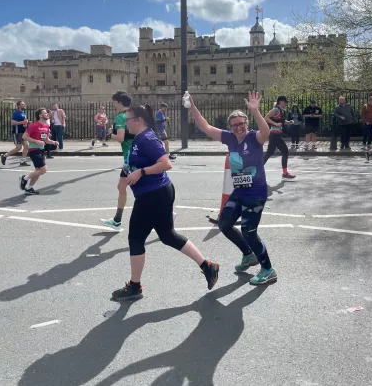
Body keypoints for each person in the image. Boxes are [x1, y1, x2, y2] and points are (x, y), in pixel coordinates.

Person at [111, 103, 219, 301]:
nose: (125, 123)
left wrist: (140, 172)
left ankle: (135, 287)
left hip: (153, 195)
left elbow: (166, 163)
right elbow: (141, 163)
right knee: (167, 235)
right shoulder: (140, 138)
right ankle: (207, 266)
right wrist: (128, 171)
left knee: (135, 238)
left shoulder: (147, 138)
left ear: (138, 120)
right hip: (156, 193)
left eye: (127, 119)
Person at [190, 91, 277, 286]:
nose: (238, 128)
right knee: (224, 224)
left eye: (241, 124)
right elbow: (206, 127)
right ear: (230, 127)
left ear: (247, 123)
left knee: (249, 231)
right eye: (235, 125)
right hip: (239, 192)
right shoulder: (229, 138)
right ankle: (248, 255)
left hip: (256, 193)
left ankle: (268, 269)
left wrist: (255, 111)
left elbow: (266, 133)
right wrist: (193, 108)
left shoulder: (255, 137)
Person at [100, 92, 134, 230]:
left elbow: (120, 137)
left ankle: (167, 216)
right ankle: (117, 220)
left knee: (143, 191)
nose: (114, 105)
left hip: (131, 157)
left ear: (119, 102)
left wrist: (110, 134)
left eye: (114, 102)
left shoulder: (120, 117)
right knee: (121, 186)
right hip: (138, 154)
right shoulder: (135, 114)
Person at [19, 108, 59, 195]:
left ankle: (29, 188)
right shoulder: (34, 125)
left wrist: (53, 142)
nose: (47, 114)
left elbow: (46, 139)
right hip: (34, 150)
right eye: (45, 113)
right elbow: (24, 136)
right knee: (43, 170)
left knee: (37, 171)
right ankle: (24, 178)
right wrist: (36, 141)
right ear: (40, 115)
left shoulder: (46, 126)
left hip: (41, 150)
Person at [264, 96, 296, 180]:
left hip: (275, 135)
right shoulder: (276, 110)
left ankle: (257, 170)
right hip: (274, 135)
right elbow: (266, 118)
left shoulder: (280, 111)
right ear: (281, 102)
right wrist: (275, 124)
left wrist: (289, 122)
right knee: (285, 152)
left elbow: (281, 121)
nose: (285, 104)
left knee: (269, 153)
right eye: (285, 102)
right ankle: (285, 173)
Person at [0, 100, 30, 167]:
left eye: (24, 104)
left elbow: (23, 122)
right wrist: (22, 122)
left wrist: (27, 123)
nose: (24, 105)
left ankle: (23, 161)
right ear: (19, 105)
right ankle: (4, 156)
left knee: (26, 146)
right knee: (18, 148)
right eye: (22, 104)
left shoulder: (23, 113)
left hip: (23, 132)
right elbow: (12, 123)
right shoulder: (16, 113)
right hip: (17, 132)